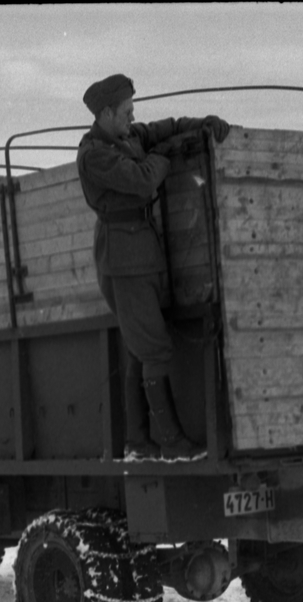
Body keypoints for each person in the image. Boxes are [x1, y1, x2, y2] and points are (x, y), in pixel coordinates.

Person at [76, 74, 230, 462]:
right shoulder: (94, 153)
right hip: (123, 257)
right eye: (127, 111)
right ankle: (170, 441)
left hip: (140, 248)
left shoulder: (128, 138)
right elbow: (143, 181)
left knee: (140, 348)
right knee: (155, 349)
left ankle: (139, 441)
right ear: (106, 113)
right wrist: (164, 157)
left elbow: (169, 127)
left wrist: (201, 124)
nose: (133, 116)